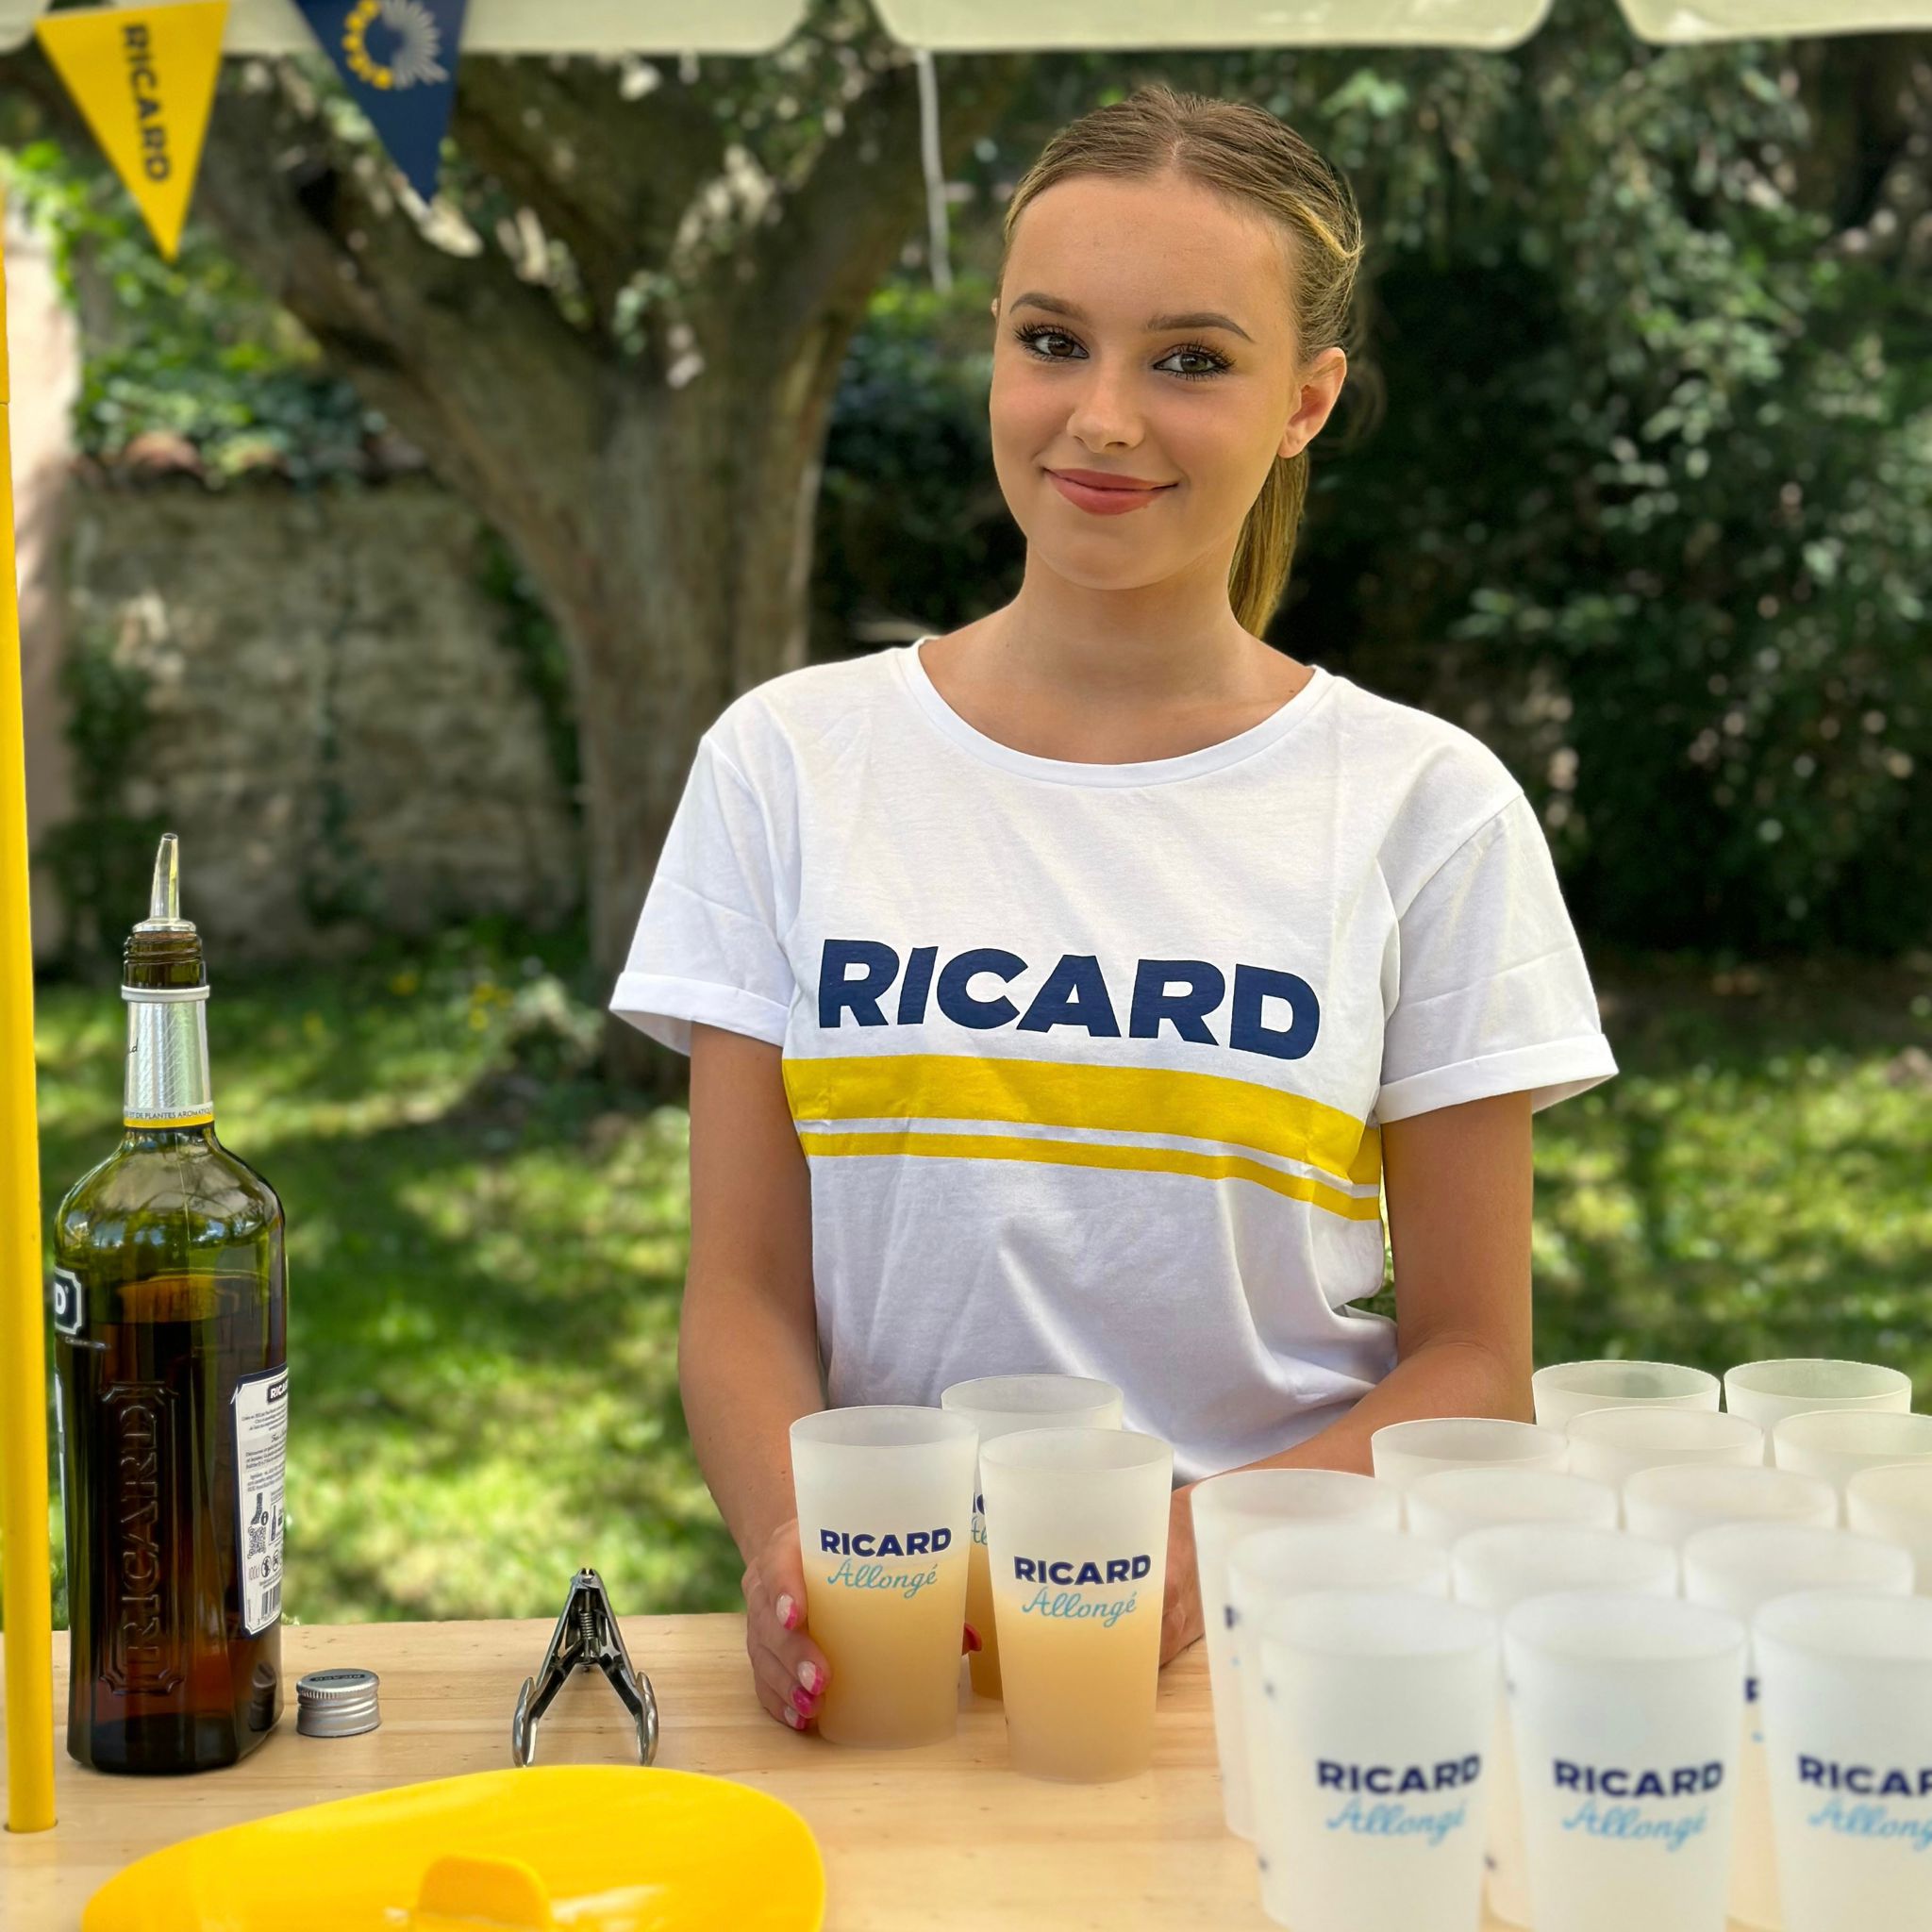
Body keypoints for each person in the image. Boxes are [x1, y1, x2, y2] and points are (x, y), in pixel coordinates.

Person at [609, 84, 1618, 1735]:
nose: (1102, 417)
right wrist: (792, 1538)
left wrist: (1184, 1561)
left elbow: (1471, 1370)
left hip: (1287, 1670)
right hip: (894, 1669)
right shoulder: (788, 764)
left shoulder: (1426, 810)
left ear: (1307, 401)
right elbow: (741, 1295)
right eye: (1052, 340)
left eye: (1193, 360)